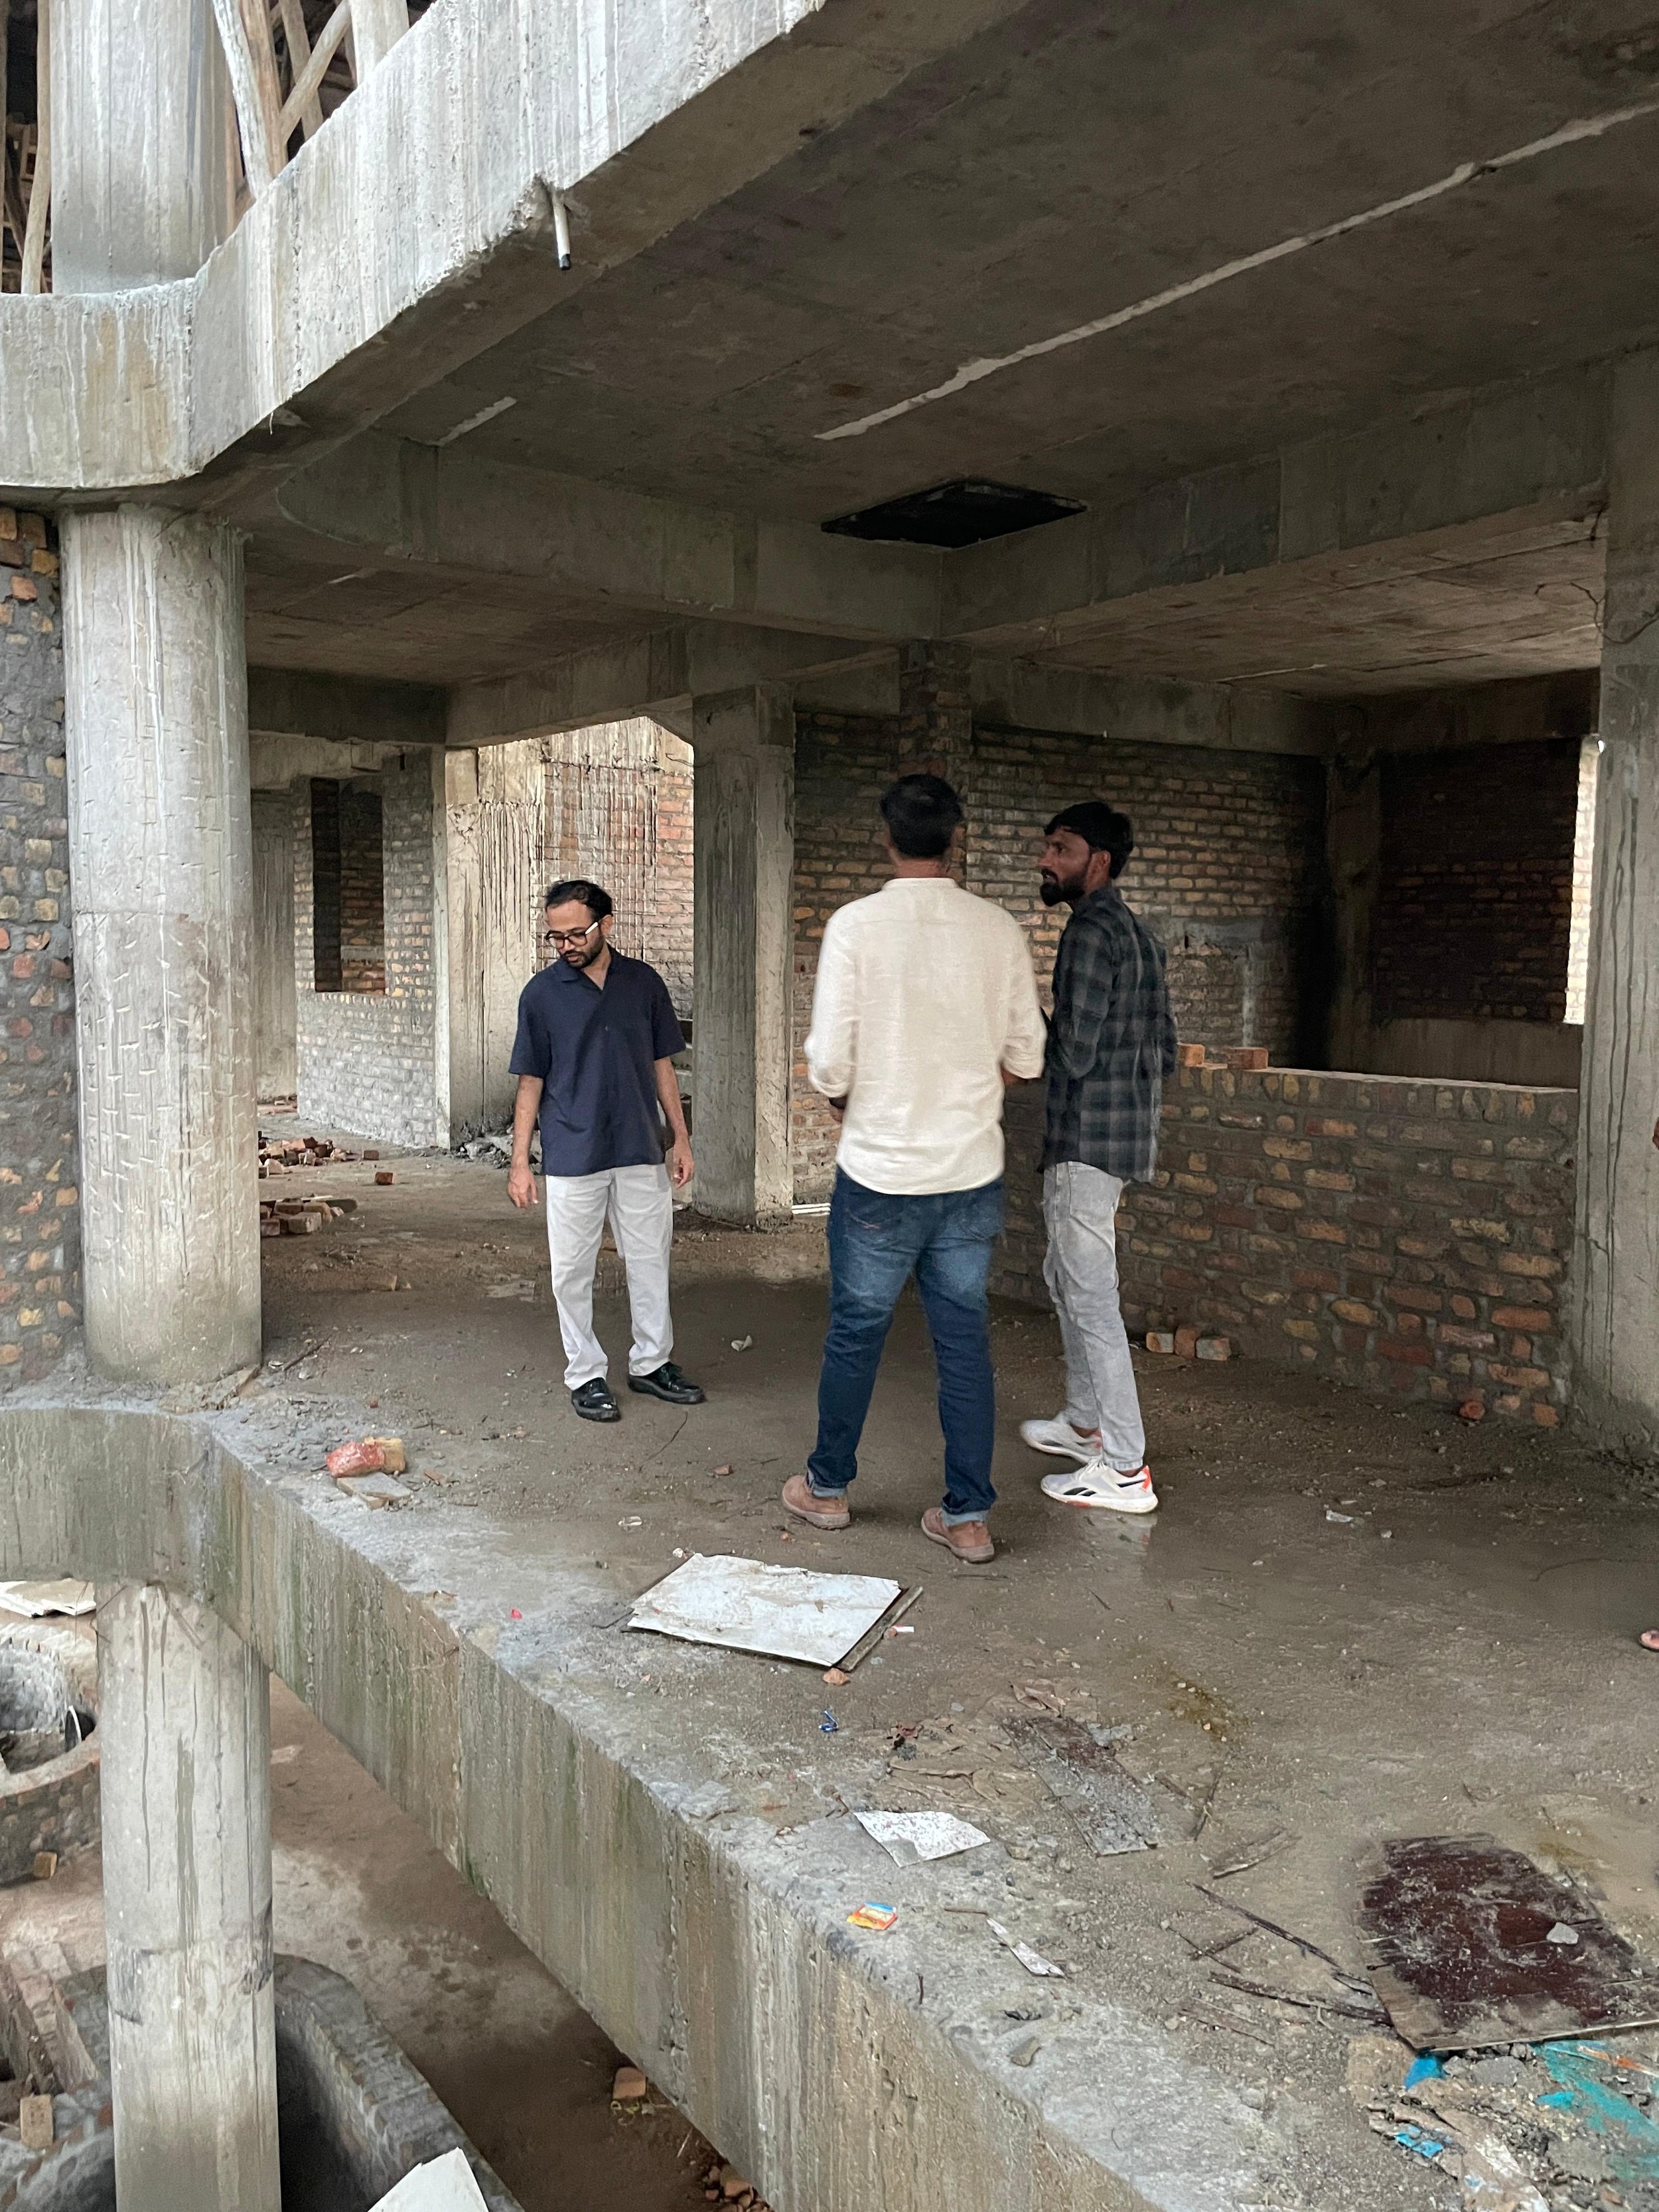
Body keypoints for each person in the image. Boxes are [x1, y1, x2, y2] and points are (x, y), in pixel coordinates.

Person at [782, 774, 1047, 1564]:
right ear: (956, 838)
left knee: (856, 1333)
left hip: (879, 1173)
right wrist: (967, 1093)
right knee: (962, 1343)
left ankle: (826, 1491)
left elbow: (830, 1062)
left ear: (885, 837)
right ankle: (967, 1519)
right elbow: (1026, 1055)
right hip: (967, 1174)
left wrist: (856, 1104)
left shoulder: (856, 927)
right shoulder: (997, 928)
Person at [1020, 801, 1177, 1514]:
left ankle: (1124, 1466)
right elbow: (1166, 1051)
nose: (1046, 860)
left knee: (1089, 1296)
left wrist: (1023, 1019)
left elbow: (1072, 1052)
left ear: (1099, 862)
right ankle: (1085, 1424)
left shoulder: (1087, 934)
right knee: (1067, 1277)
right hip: (1121, 1137)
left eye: (1061, 849)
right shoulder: (1141, 937)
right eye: (1047, 847)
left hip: (1084, 1139)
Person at [507, 879, 705, 1422]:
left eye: (576, 933)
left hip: (640, 1145)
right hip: (573, 1152)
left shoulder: (642, 984)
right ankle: (586, 1373)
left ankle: (651, 1362)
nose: (566, 945)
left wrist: (680, 1136)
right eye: (556, 937)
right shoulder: (541, 996)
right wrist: (520, 1161)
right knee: (571, 1269)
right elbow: (530, 1081)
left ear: (606, 925)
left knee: (649, 1259)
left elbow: (664, 1063)